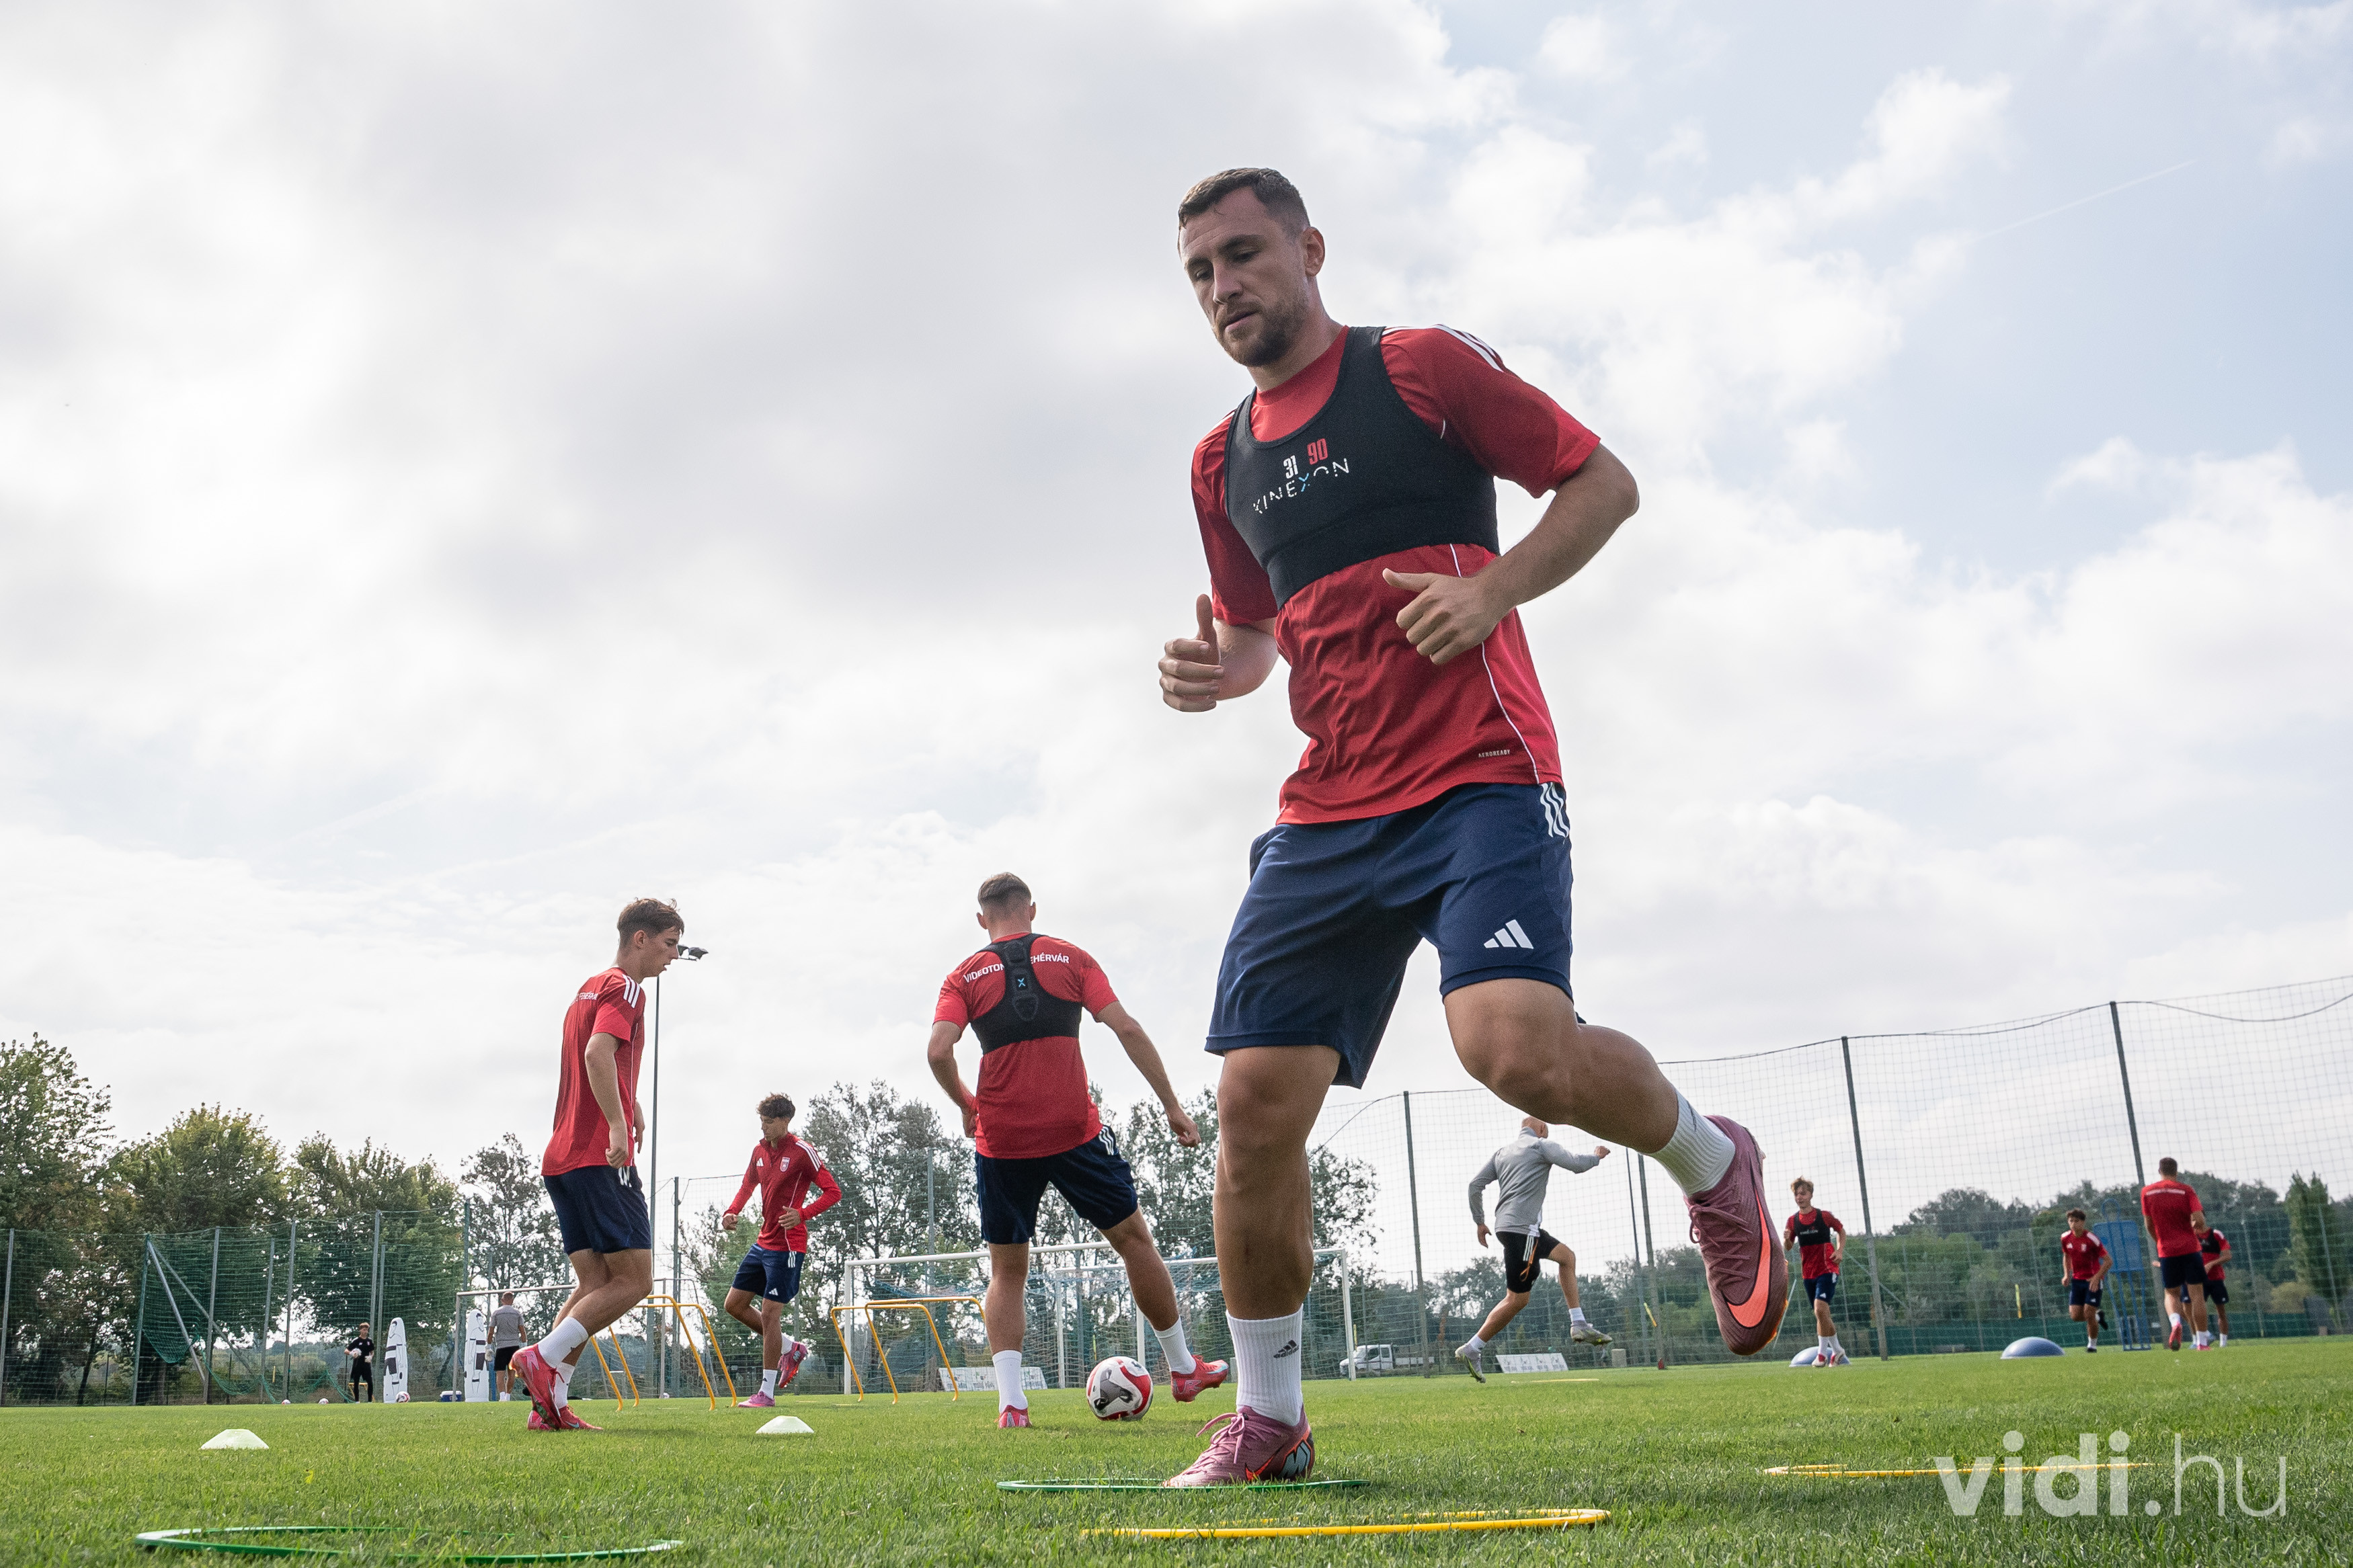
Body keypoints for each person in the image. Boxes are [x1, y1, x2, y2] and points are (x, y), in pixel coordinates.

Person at [1154, 166, 1786, 1485]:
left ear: (1310, 249)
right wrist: (1223, 669)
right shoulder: (1220, 461)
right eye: (1201, 270)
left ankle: (1713, 1159)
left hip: (1479, 774)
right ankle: (1270, 1415)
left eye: (1245, 253)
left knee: (1514, 1052)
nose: (1224, 286)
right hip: (1328, 808)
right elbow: (1257, 634)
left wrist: (1492, 590)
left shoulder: (1420, 369)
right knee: (1252, 1106)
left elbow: (1602, 482)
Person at [927, 873, 1228, 1430]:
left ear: (982, 919)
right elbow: (1127, 1028)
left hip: (1002, 1142)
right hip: (1075, 1133)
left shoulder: (964, 975)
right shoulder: (1071, 957)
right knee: (1134, 1241)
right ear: (1032, 909)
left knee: (1007, 1271)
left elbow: (938, 1050)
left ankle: (1012, 1406)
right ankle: (1184, 1369)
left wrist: (968, 1104)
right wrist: (1171, 1105)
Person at [511, 897, 681, 1431]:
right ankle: (541, 1356)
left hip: (561, 1158)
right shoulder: (627, 988)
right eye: (669, 944)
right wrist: (617, 1125)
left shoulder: (587, 988)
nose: (674, 956)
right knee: (635, 1281)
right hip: (599, 1157)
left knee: (594, 1283)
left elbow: (599, 1056)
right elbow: (597, 1054)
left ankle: (550, 1405)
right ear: (640, 939)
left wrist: (631, 1102)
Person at [1455, 1119, 1611, 1380]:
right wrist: (1596, 1156)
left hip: (1512, 1228)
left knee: (1566, 1257)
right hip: (1524, 1231)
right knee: (1517, 1300)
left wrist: (1480, 1222)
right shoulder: (1541, 1146)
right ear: (1541, 1128)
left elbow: (1474, 1186)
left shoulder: (1502, 1153)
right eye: (1547, 1125)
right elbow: (1576, 1164)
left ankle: (1578, 1323)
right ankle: (1473, 1348)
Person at [721, 1092, 842, 1407]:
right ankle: (790, 1347)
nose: (763, 1127)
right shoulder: (759, 1151)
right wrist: (732, 1211)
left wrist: (802, 1214)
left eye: (769, 1122)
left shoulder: (803, 1152)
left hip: (788, 1246)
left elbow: (833, 1192)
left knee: (770, 1314)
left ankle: (766, 1393)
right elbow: (747, 1185)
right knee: (734, 1305)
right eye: (761, 1121)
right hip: (763, 1242)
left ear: (785, 1121)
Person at [2139, 1156, 2207, 1352]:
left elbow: (2148, 1224)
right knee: (2197, 1295)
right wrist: (2195, 1226)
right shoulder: (2186, 1190)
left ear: (2159, 1171)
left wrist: (2160, 1242)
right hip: (2190, 1248)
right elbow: (2199, 1220)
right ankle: (2202, 1343)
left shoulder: (2147, 1192)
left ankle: (2176, 1322)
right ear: (2176, 1172)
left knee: (2171, 1293)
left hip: (2167, 1250)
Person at [1783, 1180, 1848, 1366]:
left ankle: (1821, 1355)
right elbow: (1788, 1247)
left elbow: (1841, 1231)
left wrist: (1840, 1251)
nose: (1800, 1197)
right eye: (1797, 1194)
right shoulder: (1793, 1221)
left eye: (1803, 1193)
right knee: (1822, 1314)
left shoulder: (1823, 1216)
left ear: (1811, 1195)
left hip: (1827, 1269)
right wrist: (1787, 1239)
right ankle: (1837, 1350)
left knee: (1820, 1310)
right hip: (1808, 1274)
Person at [2059, 1209, 2111, 1353]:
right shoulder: (2065, 1238)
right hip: (2077, 1281)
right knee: (2076, 1316)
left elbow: (2108, 1261)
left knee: (2088, 1313)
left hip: (2093, 1281)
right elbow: (2067, 1256)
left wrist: (2097, 1277)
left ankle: (2092, 1346)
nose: (2073, 1224)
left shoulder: (2092, 1239)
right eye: (2071, 1221)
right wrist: (2066, 1274)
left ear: (2083, 1222)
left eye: (2076, 1221)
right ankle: (2097, 1316)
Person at [2192, 1211, 2232, 1348]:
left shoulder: (2216, 1234)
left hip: (2216, 1279)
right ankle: (2202, 1340)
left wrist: (2211, 1264)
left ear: (2203, 1217)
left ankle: (2223, 1344)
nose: (2194, 1221)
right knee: (2196, 1310)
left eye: (2196, 1217)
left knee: (2221, 1312)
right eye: (2191, 1218)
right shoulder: (2191, 1236)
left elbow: (2227, 1256)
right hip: (2198, 1281)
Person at [489, 1292, 526, 1400]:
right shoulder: (517, 1313)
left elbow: (491, 1332)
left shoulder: (496, 1313)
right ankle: (508, 1396)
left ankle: (502, 1397)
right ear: (512, 1300)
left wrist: (488, 1346)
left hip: (501, 1347)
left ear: (502, 1300)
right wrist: (524, 1345)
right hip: (514, 1347)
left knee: (500, 1373)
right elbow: (522, 1331)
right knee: (512, 1373)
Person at [345, 1323, 374, 1403]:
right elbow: (346, 1351)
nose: (365, 1331)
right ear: (360, 1330)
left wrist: (371, 1357)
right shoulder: (356, 1341)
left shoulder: (369, 1341)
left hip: (366, 1365)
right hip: (357, 1365)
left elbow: (372, 1352)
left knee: (370, 1382)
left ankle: (370, 1401)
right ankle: (357, 1401)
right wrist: (352, 1353)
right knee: (356, 1382)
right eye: (364, 1330)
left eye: (367, 1330)